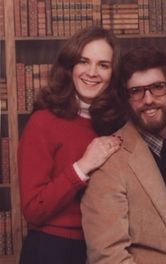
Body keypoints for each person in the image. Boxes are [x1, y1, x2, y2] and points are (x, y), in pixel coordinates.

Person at [81, 46, 166, 264]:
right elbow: (108, 256)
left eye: (157, 87)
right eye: (136, 91)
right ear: (126, 99)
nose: (148, 99)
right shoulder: (109, 160)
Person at [18, 27, 124, 264]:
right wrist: (83, 166)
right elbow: (33, 209)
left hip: (105, 248)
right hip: (51, 250)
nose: (92, 72)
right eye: (83, 61)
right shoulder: (42, 122)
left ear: (113, 74)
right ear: (70, 67)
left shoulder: (117, 124)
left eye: (103, 65)